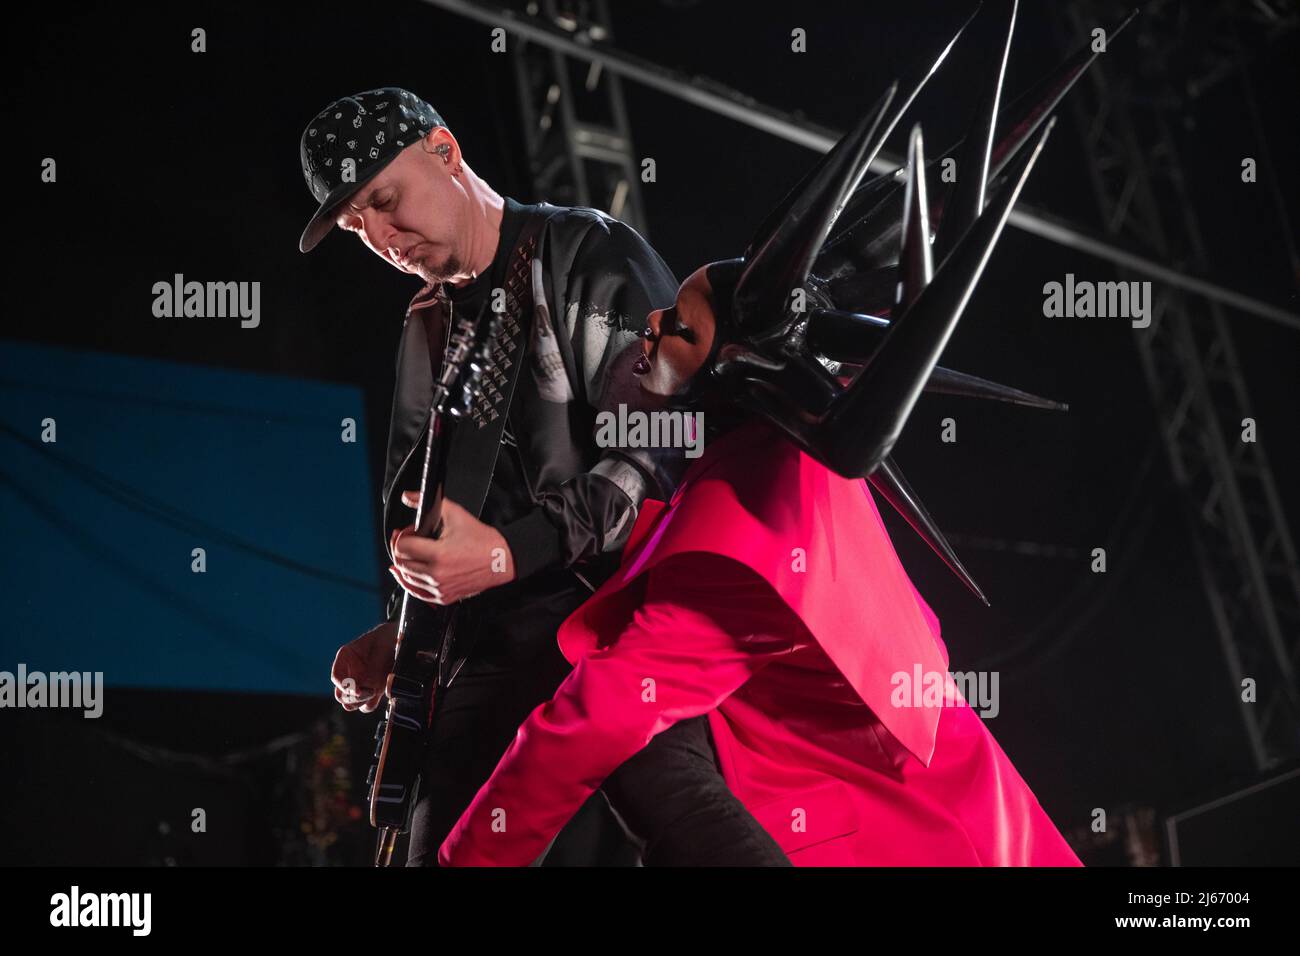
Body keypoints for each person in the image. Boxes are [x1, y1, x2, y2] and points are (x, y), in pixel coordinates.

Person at [436, 9, 1098, 866]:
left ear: (735, 365)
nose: (648, 326)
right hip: (952, 811)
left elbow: (598, 717)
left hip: (919, 838)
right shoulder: (780, 465)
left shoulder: (743, 530)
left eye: (676, 329)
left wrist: (466, 858)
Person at [299, 87, 787, 865]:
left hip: (607, 622)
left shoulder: (587, 252)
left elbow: (659, 450)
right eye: (359, 226)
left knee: (689, 826)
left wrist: (506, 553)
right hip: (474, 656)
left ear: (445, 150)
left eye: (386, 201)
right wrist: (402, 628)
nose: (384, 236)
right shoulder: (427, 322)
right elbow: (435, 515)